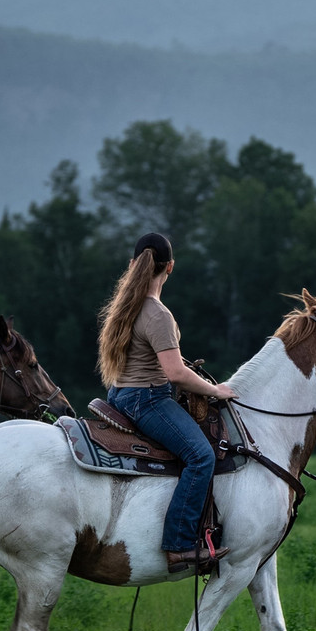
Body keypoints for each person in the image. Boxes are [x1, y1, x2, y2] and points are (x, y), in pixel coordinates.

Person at [97, 232, 238, 574]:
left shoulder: (124, 305)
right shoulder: (157, 313)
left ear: (133, 265)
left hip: (119, 394)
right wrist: (215, 390)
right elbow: (174, 374)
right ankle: (179, 545)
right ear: (170, 268)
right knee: (201, 456)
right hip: (147, 400)